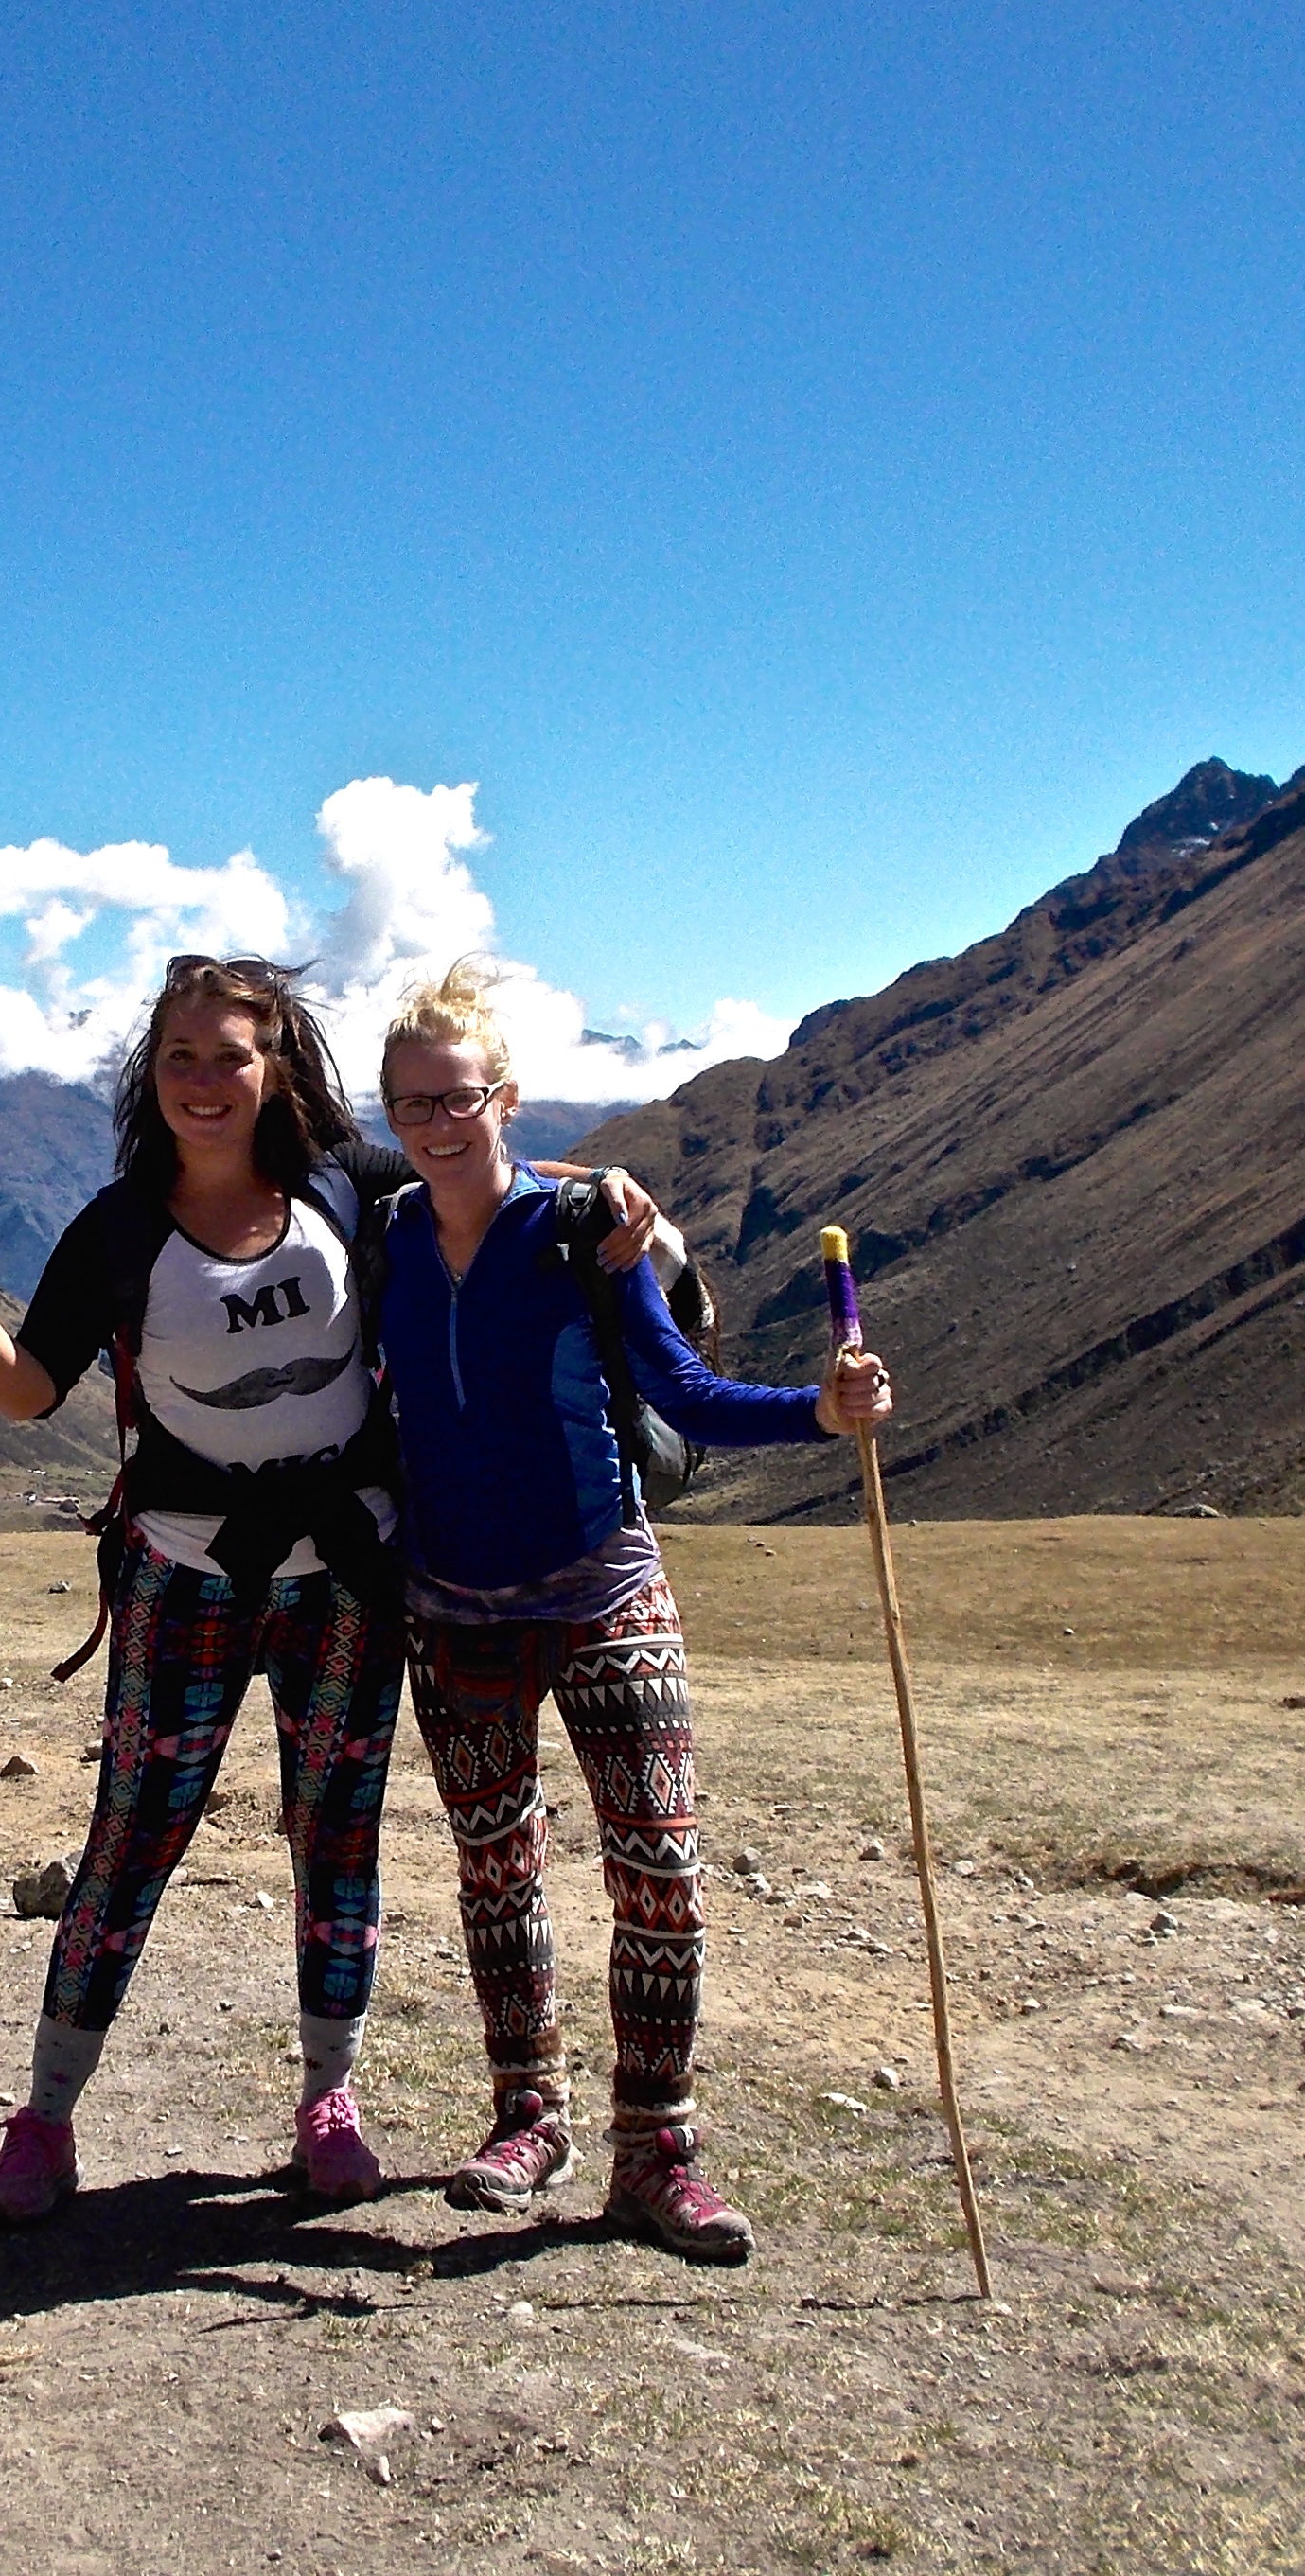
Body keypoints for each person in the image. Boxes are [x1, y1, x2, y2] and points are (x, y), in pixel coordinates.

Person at [0, 954, 662, 2224]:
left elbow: (472, 1176)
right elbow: (31, 1390)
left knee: (337, 1841)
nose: (206, 1081)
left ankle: (330, 2103)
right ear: (151, 1075)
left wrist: (597, 1194)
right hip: (184, 1571)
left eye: (232, 1056)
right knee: (132, 1837)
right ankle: (44, 2118)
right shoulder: (119, 1227)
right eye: (182, 1058)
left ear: (276, 1070)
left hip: (345, 1575)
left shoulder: (343, 1182)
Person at [372, 959, 894, 2264]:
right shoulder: (383, 1234)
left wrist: (819, 1414)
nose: (438, 1122)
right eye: (413, 1103)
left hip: (606, 1585)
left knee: (659, 1869)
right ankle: (527, 2120)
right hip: (454, 1607)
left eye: (460, 1097)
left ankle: (656, 2157)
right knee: (497, 1872)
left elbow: (682, 1386)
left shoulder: (581, 1236)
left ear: (506, 1098)